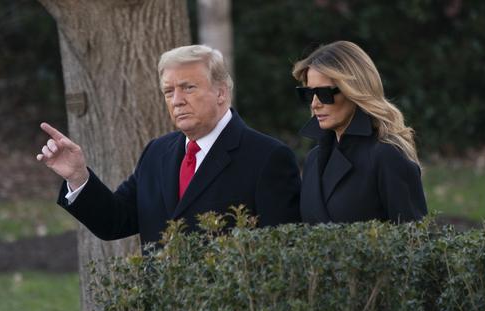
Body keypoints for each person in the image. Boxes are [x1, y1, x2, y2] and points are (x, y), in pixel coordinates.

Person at [37, 45, 301, 249]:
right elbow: (115, 222)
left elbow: (278, 254)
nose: (177, 101)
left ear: (221, 92)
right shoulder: (157, 152)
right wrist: (78, 177)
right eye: (168, 91)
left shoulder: (268, 157)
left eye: (188, 88)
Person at [292, 41, 427, 224]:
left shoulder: (386, 155)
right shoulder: (313, 159)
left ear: (353, 90)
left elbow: (414, 242)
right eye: (308, 94)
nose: (315, 103)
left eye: (324, 93)